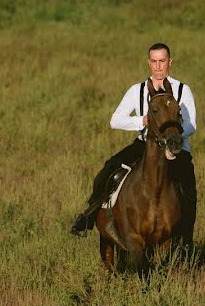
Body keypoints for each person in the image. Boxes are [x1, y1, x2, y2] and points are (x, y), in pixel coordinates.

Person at [70, 43, 197, 237]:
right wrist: (142, 120)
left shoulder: (182, 90)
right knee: (108, 169)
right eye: (154, 62)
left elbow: (191, 124)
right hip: (145, 145)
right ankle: (89, 215)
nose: (158, 66)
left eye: (162, 61)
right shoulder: (136, 90)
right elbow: (115, 120)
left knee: (187, 188)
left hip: (176, 146)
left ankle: (186, 240)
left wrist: (174, 138)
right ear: (149, 63)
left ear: (170, 62)